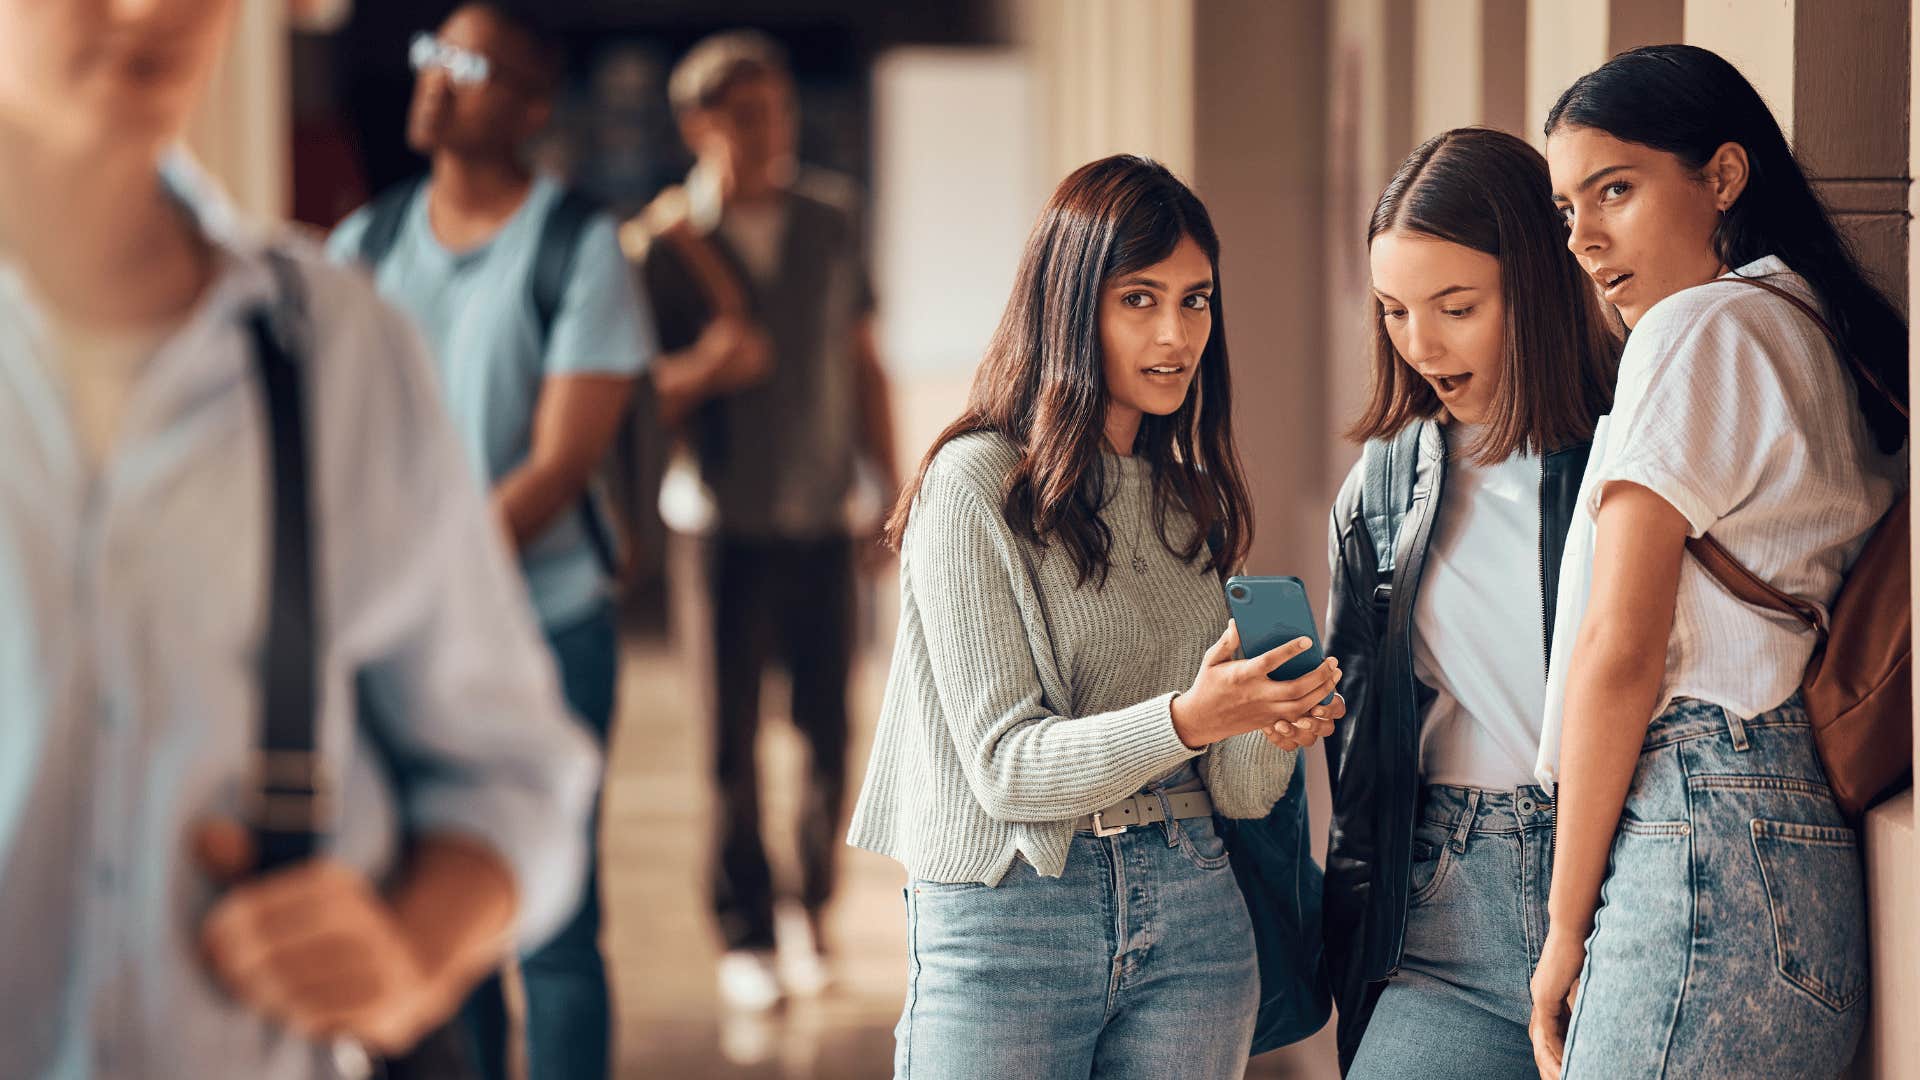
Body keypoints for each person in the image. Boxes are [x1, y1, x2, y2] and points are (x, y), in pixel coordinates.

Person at [0, 1, 598, 1076]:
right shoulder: (381, 245)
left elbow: (514, 771)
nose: (146, 9)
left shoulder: (342, 346)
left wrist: (415, 953)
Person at [846, 154, 1344, 1080]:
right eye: (1139, 299)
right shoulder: (974, 488)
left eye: (1196, 300)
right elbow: (1006, 768)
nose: (1176, 333)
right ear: (1073, 306)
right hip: (1009, 924)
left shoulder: (1188, 499)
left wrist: (1271, 726)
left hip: (1195, 917)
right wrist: (1193, 716)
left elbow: (1235, 792)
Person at [1532, 44, 1907, 1079]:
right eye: (1568, 209)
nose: (1586, 238)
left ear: (1724, 177)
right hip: (1793, 847)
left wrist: (1562, 932)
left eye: (1616, 189)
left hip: (1697, 824)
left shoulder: (1693, 329)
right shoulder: (1821, 330)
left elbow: (1620, 649)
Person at [325, 5, 655, 1078]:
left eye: (469, 64)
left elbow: (559, 468)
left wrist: (425, 582)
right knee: (435, 906)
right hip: (395, 634)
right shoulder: (361, 250)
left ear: (529, 104)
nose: (436, 78)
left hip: (550, 622)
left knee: (550, 922)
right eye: (432, 52)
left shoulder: (577, 247)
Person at [1321, 127, 1618, 1078]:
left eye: (1456, 307)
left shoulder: (1631, 446)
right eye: (1395, 311)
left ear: (1532, 285)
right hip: (1449, 899)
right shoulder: (1383, 484)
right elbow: (1361, 747)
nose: (1421, 344)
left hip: (1624, 881)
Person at [620, 29, 900, 1009]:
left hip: (823, 514)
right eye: (747, 114)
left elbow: (864, 363)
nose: (771, 129)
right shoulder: (661, 246)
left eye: (778, 109)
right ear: (699, 125)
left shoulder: (832, 221)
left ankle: (810, 915)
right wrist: (705, 367)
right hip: (717, 526)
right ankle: (743, 935)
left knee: (829, 735)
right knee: (727, 746)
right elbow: (625, 395)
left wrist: (891, 489)